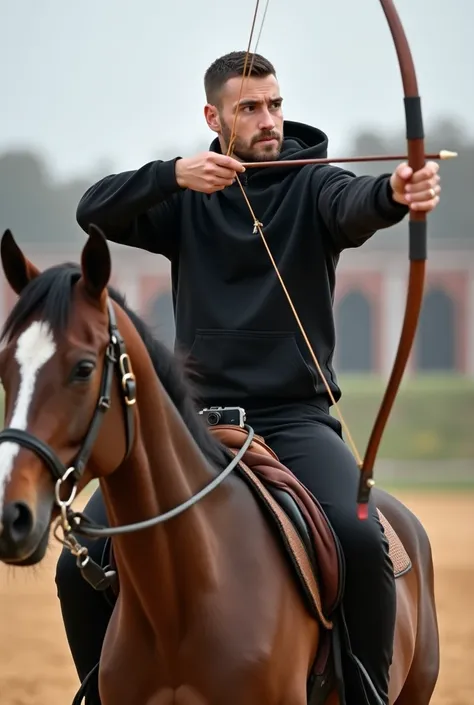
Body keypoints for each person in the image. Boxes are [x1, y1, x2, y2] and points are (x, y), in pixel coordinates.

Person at [56, 51, 441, 705]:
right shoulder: (188, 196)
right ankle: (97, 689)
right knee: (80, 560)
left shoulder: (313, 184)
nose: (270, 120)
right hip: (192, 427)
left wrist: (396, 193)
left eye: (275, 104)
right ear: (214, 117)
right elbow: (93, 210)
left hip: (294, 419)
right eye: (250, 108)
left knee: (357, 535)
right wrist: (173, 176)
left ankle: (368, 690)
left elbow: (358, 203)